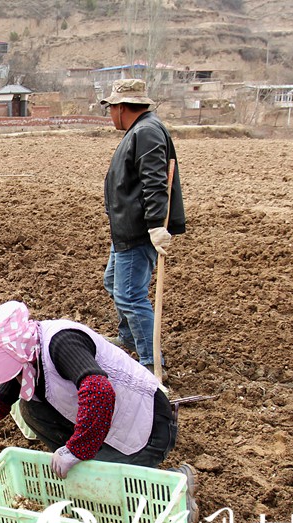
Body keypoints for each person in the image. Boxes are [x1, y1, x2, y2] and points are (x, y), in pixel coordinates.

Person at [0, 301, 196, 520]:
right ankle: (90, 464)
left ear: (15, 348)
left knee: (106, 492)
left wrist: (77, 449)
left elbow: (100, 391)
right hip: (109, 421)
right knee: (30, 407)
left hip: (148, 425)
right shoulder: (28, 357)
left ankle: (174, 488)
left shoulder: (61, 343)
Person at [100, 79, 185, 378]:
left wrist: (155, 226)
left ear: (122, 108)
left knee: (131, 296)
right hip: (125, 230)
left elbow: (154, 182)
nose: (109, 114)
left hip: (137, 231)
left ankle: (150, 363)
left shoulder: (147, 132)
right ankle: (128, 338)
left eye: (110, 108)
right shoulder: (141, 130)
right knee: (113, 284)